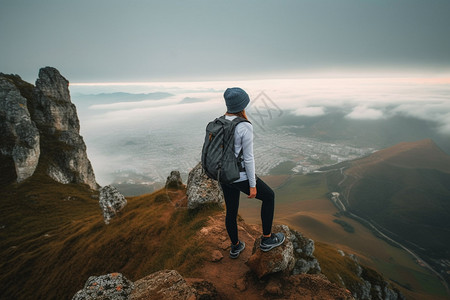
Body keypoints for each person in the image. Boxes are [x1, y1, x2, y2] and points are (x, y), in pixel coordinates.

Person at [220, 87, 285, 259]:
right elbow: (248, 159)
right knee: (269, 196)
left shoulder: (219, 122)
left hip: (224, 176)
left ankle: (235, 247)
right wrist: (252, 185)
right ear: (242, 105)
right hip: (239, 176)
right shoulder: (244, 126)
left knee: (231, 212)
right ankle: (266, 239)